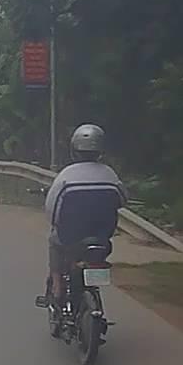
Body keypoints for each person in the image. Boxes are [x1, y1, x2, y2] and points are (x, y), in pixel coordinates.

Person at [43, 124, 126, 317]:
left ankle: (57, 286)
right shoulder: (110, 174)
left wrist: (57, 225)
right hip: (101, 238)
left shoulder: (67, 175)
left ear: (74, 148)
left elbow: (52, 210)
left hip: (70, 238)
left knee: (54, 242)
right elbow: (122, 200)